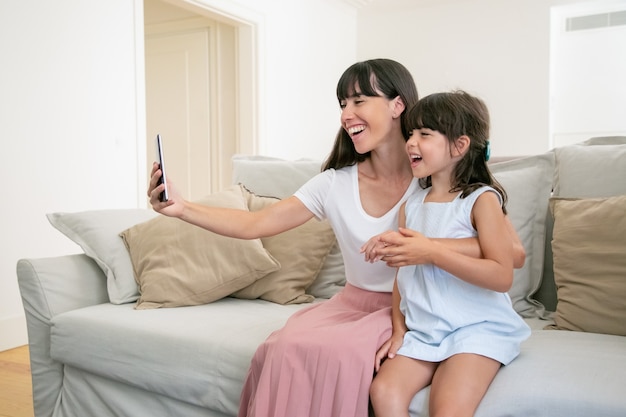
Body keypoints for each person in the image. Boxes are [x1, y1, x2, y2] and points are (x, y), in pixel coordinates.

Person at [148, 60, 524, 417]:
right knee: (282, 348)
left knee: (338, 354)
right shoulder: (335, 183)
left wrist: (424, 249)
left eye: (359, 100)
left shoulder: (437, 178)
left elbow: (512, 255)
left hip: (408, 308)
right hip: (354, 304)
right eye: (343, 104)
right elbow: (255, 224)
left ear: (398, 105)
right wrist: (183, 207)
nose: (346, 114)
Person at [367, 90, 531, 417]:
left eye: (424, 134)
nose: (411, 142)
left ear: (460, 146)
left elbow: (501, 275)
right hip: (425, 332)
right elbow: (404, 277)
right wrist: (400, 330)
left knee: (448, 407)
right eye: (410, 133)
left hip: (476, 330)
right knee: (383, 390)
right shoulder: (411, 207)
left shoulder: (481, 200)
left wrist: (431, 251)